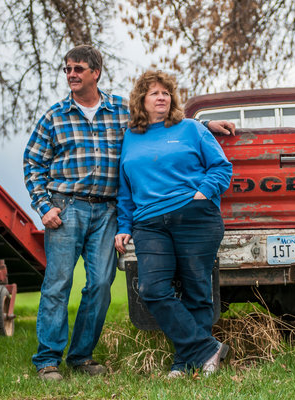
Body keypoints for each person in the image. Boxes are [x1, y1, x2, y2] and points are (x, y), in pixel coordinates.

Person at [24, 45, 235, 381]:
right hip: (66, 208)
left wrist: (206, 123)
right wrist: (43, 205)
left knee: (100, 285)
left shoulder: (119, 111)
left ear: (96, 72)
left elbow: (164, 120)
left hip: (106, 210)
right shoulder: (55, 116)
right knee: (58, 283)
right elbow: (33, 162)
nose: (71, 75)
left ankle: (81, 357)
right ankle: (48, 360)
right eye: (67, 69)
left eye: (78, 69)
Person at [114, 70, 232, 378]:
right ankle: (206, 349)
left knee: (195, 289)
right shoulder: (130, 137)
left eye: (166, 92)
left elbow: (221, 167)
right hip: (149, 223)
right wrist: (124, 225)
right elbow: (125, 189)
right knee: (152, 288)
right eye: (154, 92)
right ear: (141, 100)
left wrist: (201, 194)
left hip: (195, 216)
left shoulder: (191, 129)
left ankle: (186, 362)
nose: (161, 97)